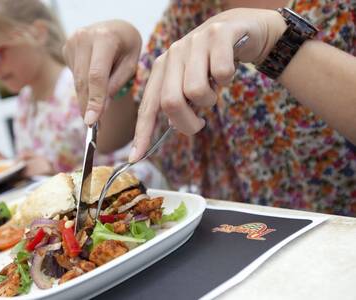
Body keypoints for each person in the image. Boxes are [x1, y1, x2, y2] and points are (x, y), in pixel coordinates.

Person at [64, 0, 356, 216]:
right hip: (238, 239)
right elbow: (119, 134)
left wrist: (276, 40)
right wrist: (119, 70)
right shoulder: (191, 9)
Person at [0, 0, 166, 188]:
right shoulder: (25, 102)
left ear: (38, 32)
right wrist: (10, 168)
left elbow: (134, 167)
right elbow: (40, 164)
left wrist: (55, 177)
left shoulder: (80, 88)